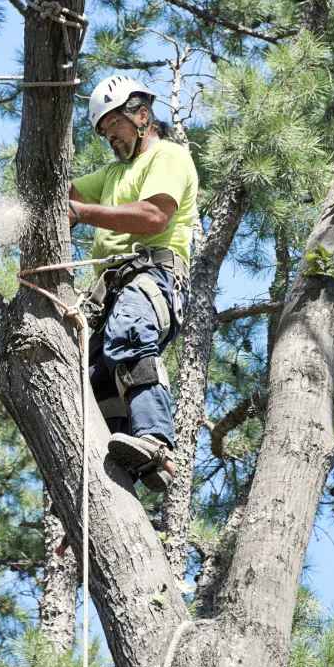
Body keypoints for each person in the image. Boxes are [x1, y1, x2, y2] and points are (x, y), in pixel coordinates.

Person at [69, 75, 198, 493]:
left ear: (142, 115)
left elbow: (153, 217)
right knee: (93, 383)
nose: (111, 139)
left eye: (115, 128)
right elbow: (61, 196)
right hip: (106, 301)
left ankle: (157, 441)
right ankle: (105, 482)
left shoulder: (168, 157)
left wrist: (83, 213)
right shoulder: (109, 175)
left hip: (152, 277)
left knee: (129, 334)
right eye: (104, 134)